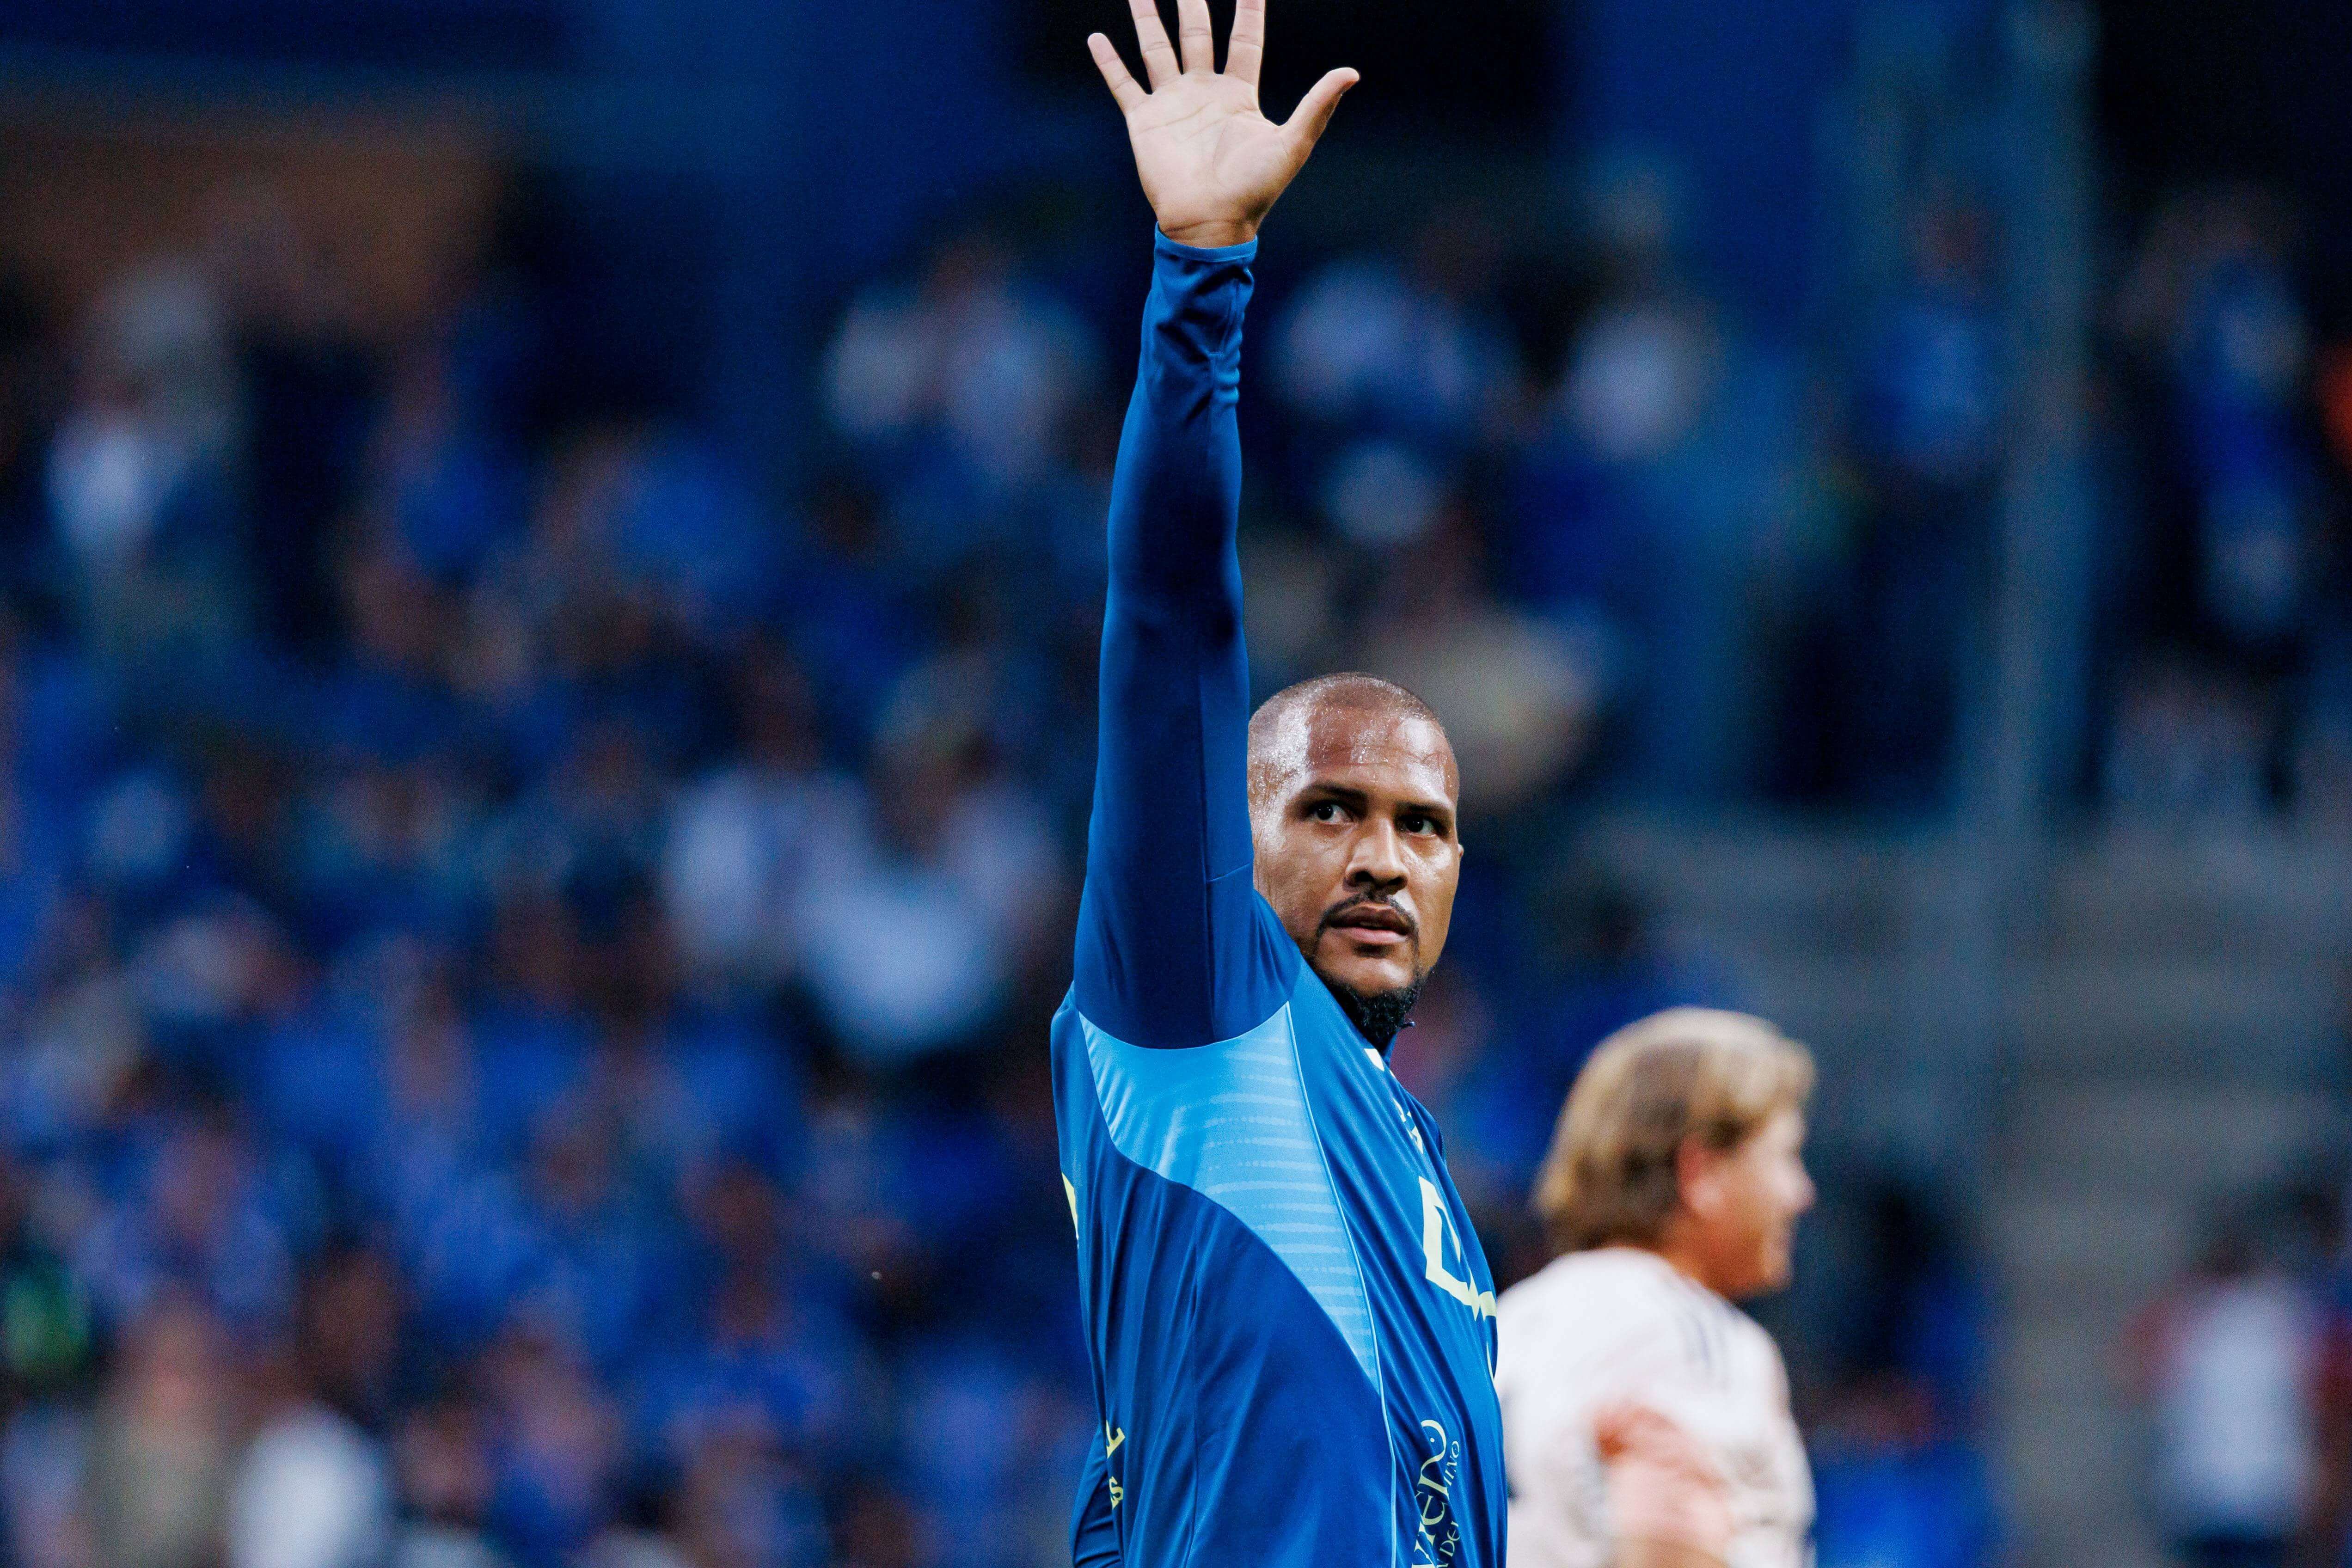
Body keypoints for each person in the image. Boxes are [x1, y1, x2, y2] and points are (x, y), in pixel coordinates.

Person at [1052, 4, 1507, 1565]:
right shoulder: (1198, 1011)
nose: (1382, 855)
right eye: (1327, 809)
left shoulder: (1406, 1151)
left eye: (1421, 827)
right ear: (1217, 846)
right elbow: (1170, 614)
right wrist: (1201, 282)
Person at [1495, 1009, 1817, 1568]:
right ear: (1701, 1175)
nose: (1801, 1193)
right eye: (1785, 1156)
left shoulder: (1508, 1318)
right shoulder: (1691, 1334)